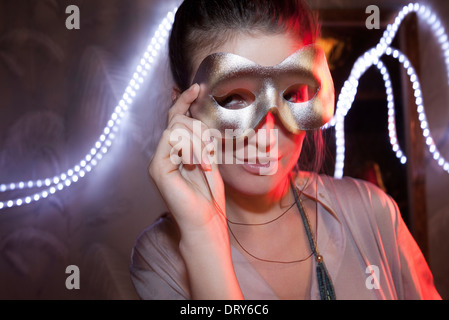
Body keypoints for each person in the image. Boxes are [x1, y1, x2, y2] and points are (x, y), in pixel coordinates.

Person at [129, 0, 441, 300]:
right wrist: (203, 235)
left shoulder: (374, 214)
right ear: (185, 109)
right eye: (232, 99)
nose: (267, 138)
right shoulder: (161, 258)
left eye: (291, 93)